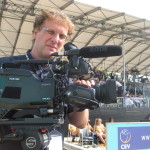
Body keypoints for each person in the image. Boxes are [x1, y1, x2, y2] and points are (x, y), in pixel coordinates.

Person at [0, 9, 95, 150]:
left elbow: (80, 123)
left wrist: (83, 100)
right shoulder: (5, 66)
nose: (56, 40)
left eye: (62, 36)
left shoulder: (66, 75)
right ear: (35, 32)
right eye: (50, 32)